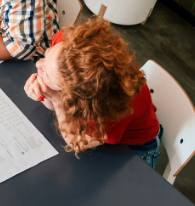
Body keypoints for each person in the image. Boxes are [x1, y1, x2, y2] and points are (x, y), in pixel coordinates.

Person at [24, 17, 162, 167]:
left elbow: (76, 141)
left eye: (47, 73)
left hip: (134, 148)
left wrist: (56, 99)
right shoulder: (66, 45)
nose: (38, 63)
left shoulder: (104, 107)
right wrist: (46, 93)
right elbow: (57, 104)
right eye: (47, 54)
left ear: (76, 94)